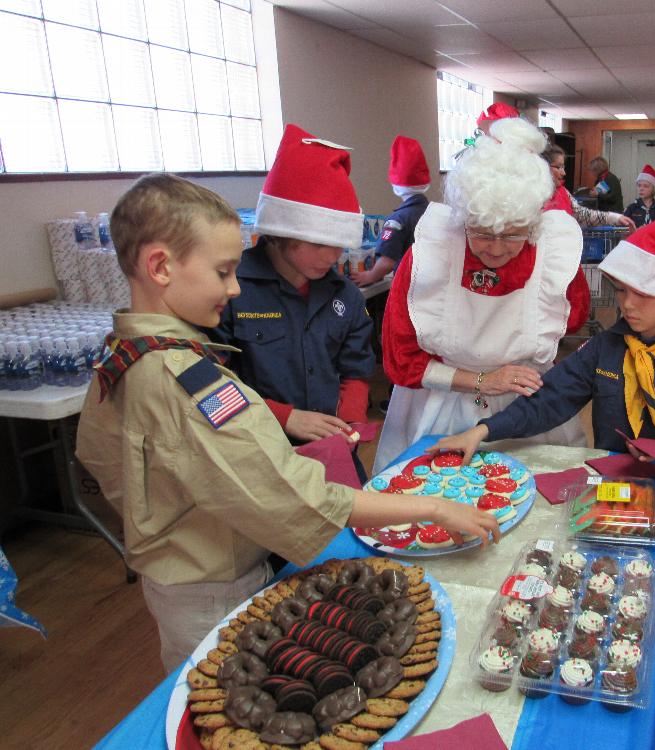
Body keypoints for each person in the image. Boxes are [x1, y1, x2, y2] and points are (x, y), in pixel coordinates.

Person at [76, 173, 499, 672]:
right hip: (214, 582)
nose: (234, 288)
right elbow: (294, 495)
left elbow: (98, 456)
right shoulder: (184, 378)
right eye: (222, 271)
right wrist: (431, 507)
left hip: (177, 568)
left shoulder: (126, 352)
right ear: (161, 266)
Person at [433, 217, 655, 468]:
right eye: (620, 291)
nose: (627, 305)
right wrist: (483, 430)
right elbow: (551, 397)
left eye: (642, 295)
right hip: (611, 477)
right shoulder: (605, 347)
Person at [374, 118, 590, 473]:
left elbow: (573, 319)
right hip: (443, 405)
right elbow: (400, 356)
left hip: (525, 408)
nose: (495, 249)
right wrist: (483, 381)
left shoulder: (553, 254)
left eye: (513, 235)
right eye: (482, 233)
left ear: (534, 226)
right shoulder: (432, 253)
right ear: (463, 219)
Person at [213, 125, 373, 483]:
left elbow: (357, 369)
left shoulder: (344, 296)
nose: (332, 257)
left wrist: (349, 423)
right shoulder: (230, 292)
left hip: (332, 454)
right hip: (256, 458)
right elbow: (208, 391)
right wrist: (285, 417)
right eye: (318, 245)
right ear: (280, 234)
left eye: (340, 245)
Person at [351, 136, 431, 288]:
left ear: (396, 184)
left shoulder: (398, 220)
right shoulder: (432, 211)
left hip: (408, 286)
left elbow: (387, 262)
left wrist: (370, 276)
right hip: (431, 284)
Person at [541, 142, 635, 230]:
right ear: (543, 166)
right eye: (559, 167)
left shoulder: (564, 192)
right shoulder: (533, 195)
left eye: (563, 167)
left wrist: (615, 217)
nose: (564, 173)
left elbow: (582, 215)